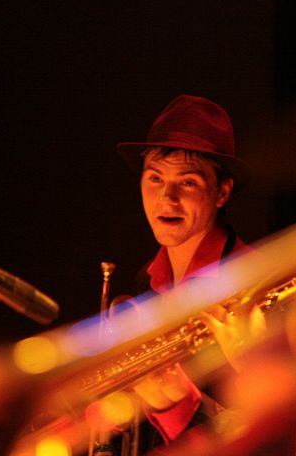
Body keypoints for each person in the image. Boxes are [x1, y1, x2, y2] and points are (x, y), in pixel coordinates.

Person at [112, 94, 262, 453]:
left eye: (188, 182)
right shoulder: (144, 283)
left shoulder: (256, 283)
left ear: (222, 192)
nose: (167, 198)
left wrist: (177, 404)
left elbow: (272, 434)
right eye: (155, 179)